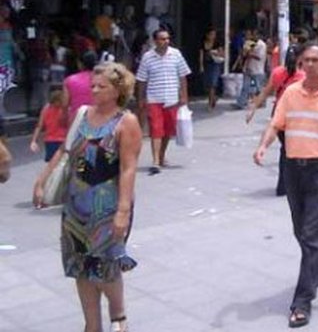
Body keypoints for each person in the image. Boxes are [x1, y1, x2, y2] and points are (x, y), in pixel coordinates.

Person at [252, 43, 318, 328]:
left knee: (311, 236)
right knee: (301, 230)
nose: (309, 65)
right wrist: (263, 146)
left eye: (315, 60)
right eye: (305, 61)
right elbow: (276, 124)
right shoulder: (290, 93)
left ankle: (302, 301)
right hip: (292, 169)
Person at [32, 63, 142, 332]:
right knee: (80, 266)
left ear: (117, 90)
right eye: (93, 85)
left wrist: (123, 212)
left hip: (107, 204)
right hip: (75, 202)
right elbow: (65, 151)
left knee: (106, 265)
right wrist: (42, 181)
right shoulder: (82, 114)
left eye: (101, 86)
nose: (94, 90)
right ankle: (91, 325)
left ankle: (118, 316)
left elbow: (128, 168)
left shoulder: (126, 122)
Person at [247, 46, 305, 197]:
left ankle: (283, 186)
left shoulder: (277, 72)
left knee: (285, 151)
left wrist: (253, 108)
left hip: (278, 114)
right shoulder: (302, 76)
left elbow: (266, 92)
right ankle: (291, 185)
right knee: (292, 151)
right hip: (294, 118)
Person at [136, 29, 191, 176]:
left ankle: (161, 155)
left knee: (168, 130)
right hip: (154, 99)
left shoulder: (176, 54)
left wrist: (184, 96)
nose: (165, 41)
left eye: (167, 39)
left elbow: (183, 76)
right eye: (162, 39)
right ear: (155, 41)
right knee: (156, 129)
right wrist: (140, 98)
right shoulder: (147, 57)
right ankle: (155, 161)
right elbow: (141, 80)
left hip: (172, 98)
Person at [30, 88, 67, 162]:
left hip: (60, 140)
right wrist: (34, 141)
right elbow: (39, 126)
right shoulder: (49, 109)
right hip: (53, 140)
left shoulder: (63, 109)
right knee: (54, 163)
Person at [235, 29, 267, 109]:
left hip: (258, 69)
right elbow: (243, 54)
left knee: (259, 87)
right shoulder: (249, 43)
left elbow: (260, 57)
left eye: (256, 35)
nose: (254, 36)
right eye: (253, 34)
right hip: (248, 68)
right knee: (245, 86)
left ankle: (262, 102)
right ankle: (241, 103)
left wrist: (250, 54)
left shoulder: (261, 45)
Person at [63, 50, 98, 123]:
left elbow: (65, 103)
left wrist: (65, 118)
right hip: (97, 119)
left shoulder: (69, 80)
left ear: (80, 64)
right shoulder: (101, 79)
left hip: (75, 120)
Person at [199, 28, 224, 111]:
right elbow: (201, 55)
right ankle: (213, 98)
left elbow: (222, 54)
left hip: (215, 64)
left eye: (214, 34)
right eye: (211, 34)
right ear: (207, 35)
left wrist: (214, 52)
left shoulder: (217, 43)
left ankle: (210, 103)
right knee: (207, 84)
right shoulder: (203, 43)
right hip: (207, 64)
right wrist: (201, 65)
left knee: (212, 84)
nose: (213, 36)